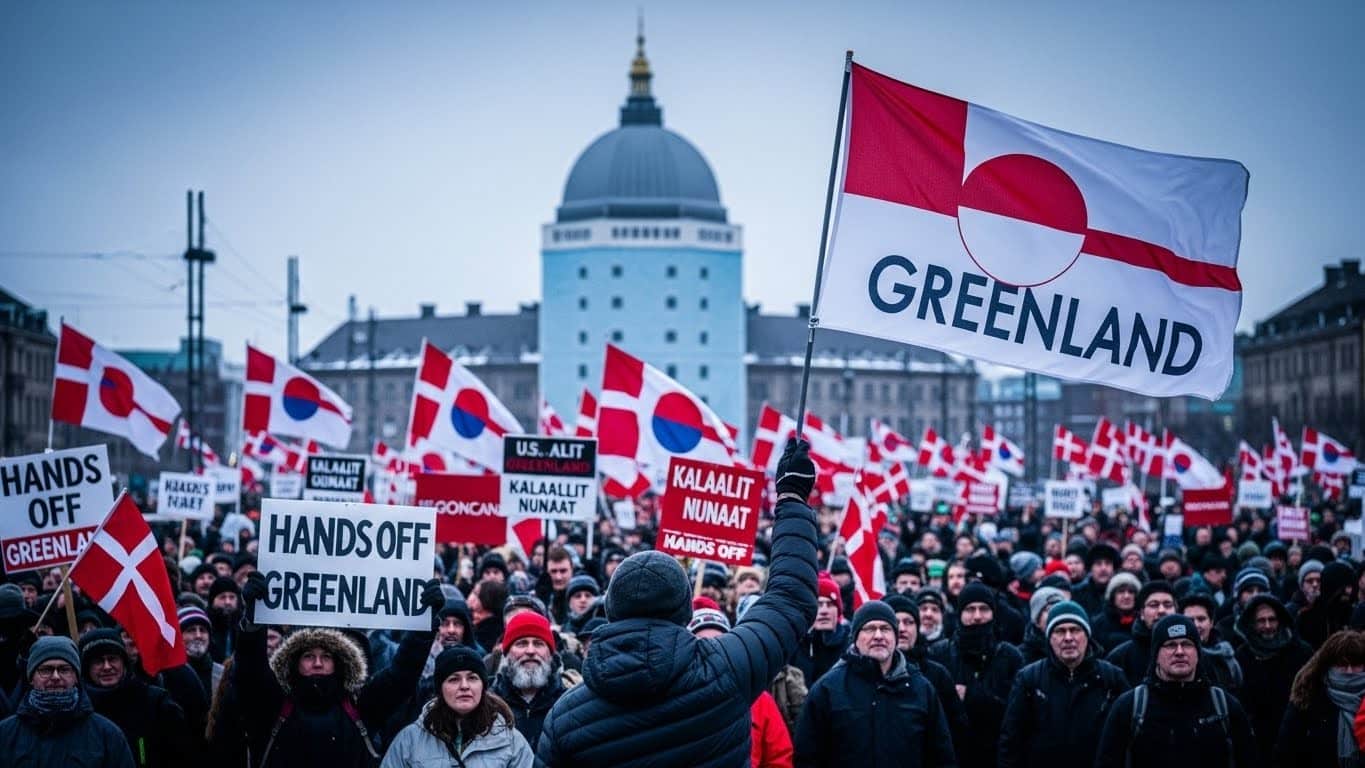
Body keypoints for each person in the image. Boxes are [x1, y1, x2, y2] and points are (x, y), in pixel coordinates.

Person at [536, 439, 819, 766]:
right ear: (685, 610)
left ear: (610, 609)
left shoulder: (566, 716)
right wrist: (792, 499)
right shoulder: (729, 667)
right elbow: (791, 599)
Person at [236, 574, 445, 767]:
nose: (318, 663)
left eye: (326, 656)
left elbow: (401, 676)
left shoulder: (360, 705)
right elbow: (250, 672)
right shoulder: (274, 704)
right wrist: (253, 624)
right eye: (308, 656)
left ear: (339, 662)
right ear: (294, 661)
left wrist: (424, 625)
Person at [793, 601, 955, 768]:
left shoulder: (921, 689)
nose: (878, 635)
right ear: (855, 637)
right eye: (869, 629)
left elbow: (941, 756)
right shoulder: (827, 689)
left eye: (885, 629)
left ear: (895, 637)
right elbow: (807, 757)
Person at [1095, 615, 1255, 768]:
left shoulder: (1224, 706)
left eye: (1186, 644)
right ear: (1156, 654)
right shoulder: (1130, 707)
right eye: (1170, 645)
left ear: (1198, 653)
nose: (1179, 651)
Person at [998, 601, 1127, 768]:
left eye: (1075, 630)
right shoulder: (1029, 679)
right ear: (1049, 638)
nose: (1068, 638)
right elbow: (1011, 740)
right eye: (1060, 631)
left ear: (1087, 635)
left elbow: (1125, 739)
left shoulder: (1112, 678)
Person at [381, 645, 533, 768]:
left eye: (472, 678)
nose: (464, 686)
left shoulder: (511, 742)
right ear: (440, 689)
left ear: (483, 686)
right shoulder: (410, 740)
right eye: (454, 679)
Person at [0, 635, 134, 767]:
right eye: (46, 670)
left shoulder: (106, 735)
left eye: (64, 670)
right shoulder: (6, 734)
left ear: (76, 677)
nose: (56, 677)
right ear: (31, 678)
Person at [688, 606, 793, 768]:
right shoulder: (675, 697)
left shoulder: (759, 699)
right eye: (701, 643)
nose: (709, 650)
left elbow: (779, 757)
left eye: (717, 642)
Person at [78, 627, 193, 767]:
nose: (107, 667)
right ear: (86, 667)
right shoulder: (78, 709)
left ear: (124, 662)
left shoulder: (155, 703)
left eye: (112, 659)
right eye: (98, 661)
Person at [938, 582, 1023, 768]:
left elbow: (1015, 714)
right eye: (970, 609)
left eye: (983, 609)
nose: (977, 616)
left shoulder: (1010, 657)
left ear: (993, 613)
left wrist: (971, 696)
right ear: (960, 614)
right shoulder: (940, 654)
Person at [885, 593, 967, 759]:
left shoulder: (937, 675)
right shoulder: (869, 675)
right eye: (895, 622)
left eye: (909, 622)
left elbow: (956, 733)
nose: (902, 629)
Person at [1232, 593, 1312, 760]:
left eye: (1272, 619)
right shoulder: (1242, 656)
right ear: (1251, 624)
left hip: (1297, 742)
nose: (1268, 626)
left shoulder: (1301, 652)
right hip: (1257, 744)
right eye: (1261, 621)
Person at [1274, 629, 1365, 767]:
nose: (1349, 672)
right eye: (1342, 665)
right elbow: (1287, 750)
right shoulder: (1309, 697)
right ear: (1328, 665)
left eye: (1356, 665)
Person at [488, 612, 566, 751]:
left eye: (538, 643)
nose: (530, 651)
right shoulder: (488, 705)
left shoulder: (567, 704)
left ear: (550, 653)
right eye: (521, 643)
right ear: (506, 654)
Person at [1106, 581, 1176, 687]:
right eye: (1154, 605)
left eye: (1167, 605)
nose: (1161, 610)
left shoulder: (1193, 652)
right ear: (1142, 613)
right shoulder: (1120, 658)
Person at [1179, 592, 1243, 697]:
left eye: (1201, 619)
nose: (1196, 625)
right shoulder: (1176, 657)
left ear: (1211, 622)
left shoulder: (1226, 656)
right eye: (1190, 620)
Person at [791, 574, 850, 686]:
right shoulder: (795, 644)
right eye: (818, 604)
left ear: (838, 610)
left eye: (830, 604)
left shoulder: (850, 645)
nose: (824, 610)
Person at [1298, 561, 1357, 649]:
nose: (1348, 591)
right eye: (1344, 587)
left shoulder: (1353, 614)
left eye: (1350, 586)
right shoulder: (1307, 617)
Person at [1088, 572, 1140, 655]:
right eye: (1121, 591)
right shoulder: (1098, 623)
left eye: (1131, 592)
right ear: (1112, 596)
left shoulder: (1143, 622)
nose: (1126, 596)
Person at [178, 606, 223, 700]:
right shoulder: (168, 674)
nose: (198, 636)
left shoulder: (222, 674)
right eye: (191, 630)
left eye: (202, 630)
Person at [1072, 543, 1119, 616]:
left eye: (1107, 563)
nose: (1103, 568)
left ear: (1113, 569)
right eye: (1098, 564)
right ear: (1091, 569)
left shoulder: (1120, 592)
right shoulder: (1078, 594)